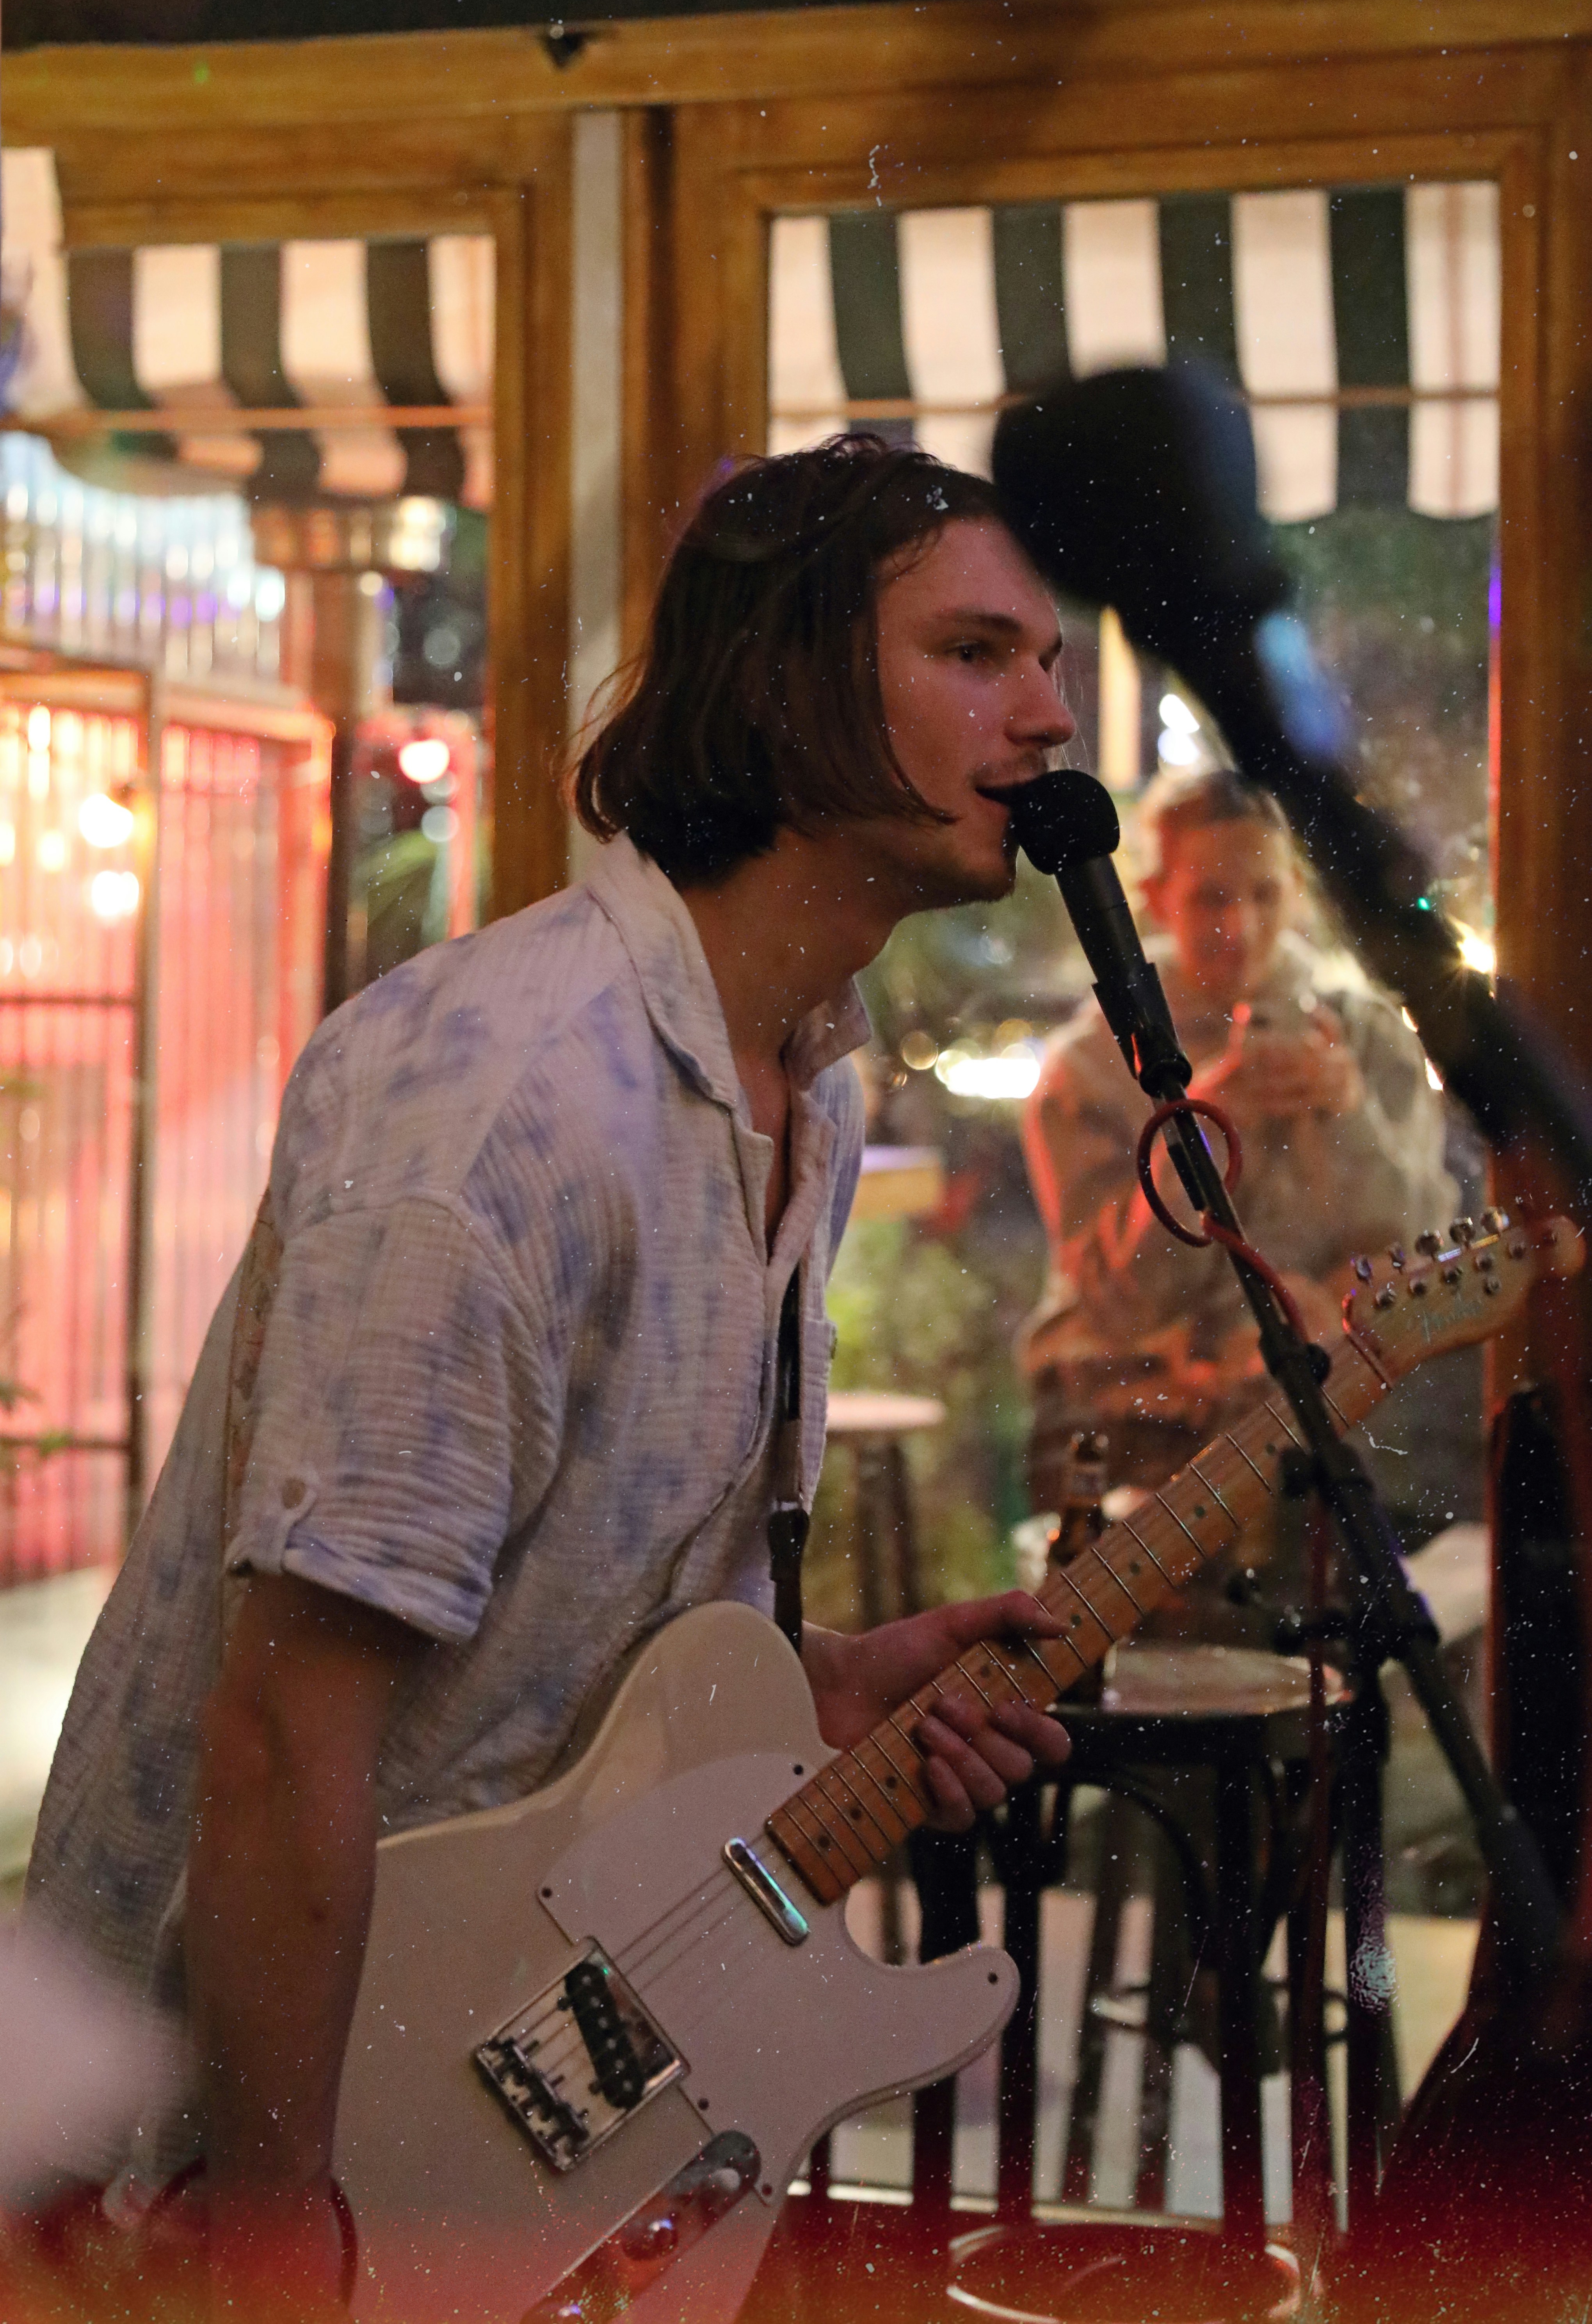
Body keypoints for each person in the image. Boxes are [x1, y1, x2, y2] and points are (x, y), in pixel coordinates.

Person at [25, 436, 1076, 2319]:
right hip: (179, 2174)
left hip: (469, 2098)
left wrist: (827, 1690)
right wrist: (274, 2247)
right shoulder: (513, 1100)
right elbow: (284, 1736)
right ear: (792, 682)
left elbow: (569, 1679)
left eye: (1052, 659)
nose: (1047, 713)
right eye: (980, 652)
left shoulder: (809, 1100)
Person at [1019, 768, 1458, 1569]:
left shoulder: (1365, 1038)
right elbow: (1114, 1299)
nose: (1241, 926)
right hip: (1138, 1418)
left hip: (1324, 1416)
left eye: (1263, 894)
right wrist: (1206, 1127)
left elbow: (1421, 1252)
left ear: (1295, 890)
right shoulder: (1090, 1067)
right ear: (1156, 897)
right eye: (1211, 899)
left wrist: (1348, 1110)